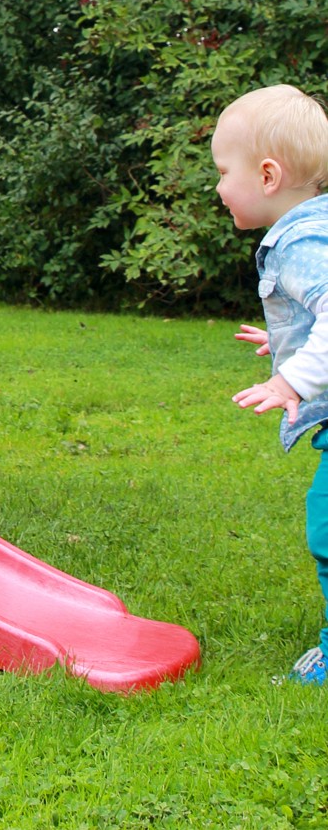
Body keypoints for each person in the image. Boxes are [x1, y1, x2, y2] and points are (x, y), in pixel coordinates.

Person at [213, 83, 328, 685]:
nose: (217, 187)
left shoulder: (300, 239)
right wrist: (289, 339)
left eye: (222, 172)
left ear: (266, 175)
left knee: (327, 528)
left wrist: (292, 379)